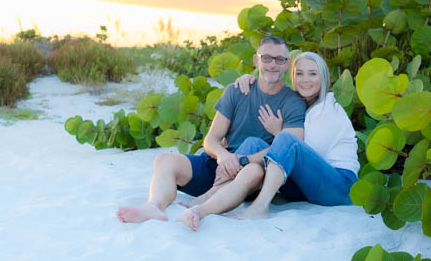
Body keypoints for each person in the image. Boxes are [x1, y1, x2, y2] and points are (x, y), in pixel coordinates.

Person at [116, 36, 306, 224]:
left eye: (279, 59)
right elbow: (211, 139)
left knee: (253, 170)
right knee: (164, 160)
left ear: (287, 63)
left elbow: (287, 148)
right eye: (267, 58)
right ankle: (154, 206)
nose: (272, 64)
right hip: (220, 167)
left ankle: (202, 206)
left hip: (250, 176)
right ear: (256, 60)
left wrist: (241, 160)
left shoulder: (293, 102)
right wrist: (224, 156)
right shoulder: (237, 90)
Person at [178, 51, 358, 231]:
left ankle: (260, 207)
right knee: (253, 143)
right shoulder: (302, 104)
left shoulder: (328, 110)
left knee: (286, 139)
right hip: (309, 185)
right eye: (299, 73)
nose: (305, 80)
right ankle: (208, 199)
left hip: (338, 186)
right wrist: (250, 80)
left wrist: (277, 133)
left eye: (313, 74)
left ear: (323, 77)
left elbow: (302, 151)